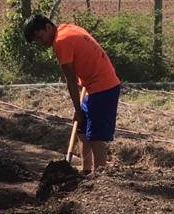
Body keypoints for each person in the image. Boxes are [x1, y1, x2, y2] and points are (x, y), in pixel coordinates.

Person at [23, 14, 121, 173]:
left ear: (48, 27)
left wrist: (77, 110)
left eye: (41, 38)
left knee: (96, 136)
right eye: (37, 41)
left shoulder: (61, 41)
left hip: (103, 87)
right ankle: (86, 171)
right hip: (91, 86)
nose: (42, 43)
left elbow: (70, 80)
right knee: (82, 131)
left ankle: (101, 176)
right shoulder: (66, 28)